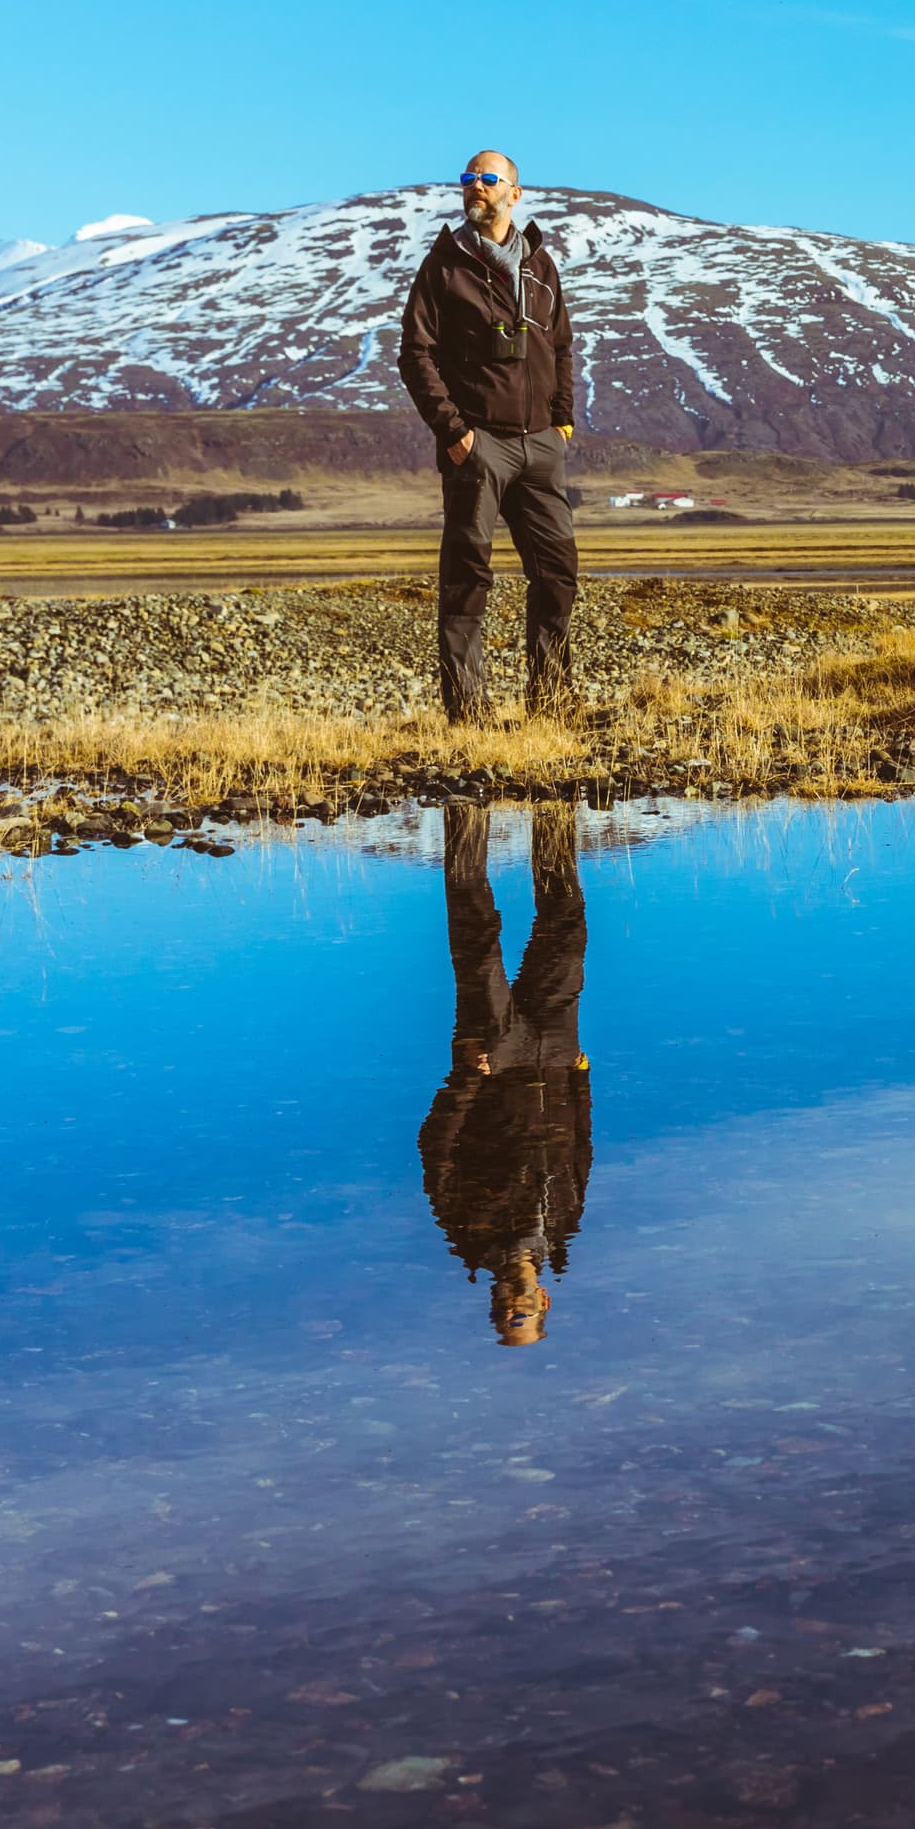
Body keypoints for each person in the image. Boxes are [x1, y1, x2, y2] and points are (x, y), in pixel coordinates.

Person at [396, 150, 580, 721]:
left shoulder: (541, 267)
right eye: (468, 179)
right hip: (479, 447)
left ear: (514, 194)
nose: (475, 187)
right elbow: (415, 354)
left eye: (487, 179)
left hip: (541, 446)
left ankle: (550, 704)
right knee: (467, 579)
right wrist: (454, 431)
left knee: (557, 572)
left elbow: (562, 347)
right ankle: (468, 715)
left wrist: (562, 420)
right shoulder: (444, 266)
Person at [418, 801, 593, 1347]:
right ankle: (553, 809)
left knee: (478, 946)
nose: (513, 1309)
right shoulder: (561, 1234)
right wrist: (582, 1081)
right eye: (524, 1317)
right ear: (544, 1302)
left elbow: (437, 1149)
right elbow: (581, 1154)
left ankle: (466, 809)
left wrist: (467, 1078)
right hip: (559, 1057)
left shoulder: (469, 1234)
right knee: (565, 931)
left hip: (494, 1066)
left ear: (494, 1303)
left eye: (504, 1318)